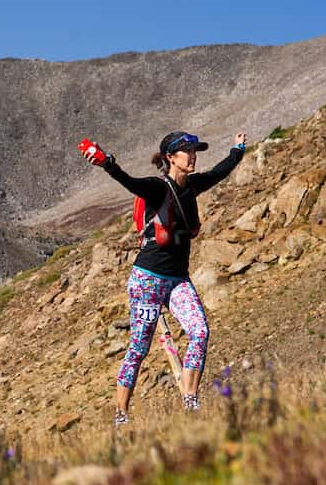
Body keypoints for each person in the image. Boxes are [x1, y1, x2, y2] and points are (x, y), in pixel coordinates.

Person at [84, 130, 247, 424]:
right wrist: (107, 163)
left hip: (178, 280)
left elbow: (221, 171)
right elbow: (129, 182)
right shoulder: (157, 189)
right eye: (188, 152)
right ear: (171, 158)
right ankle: (121, 413)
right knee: (140, 347)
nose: (194, 156)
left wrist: (238, 149)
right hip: (147, 279)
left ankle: (190, 400)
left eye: (195, 151)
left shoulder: (193, 186)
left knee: (199, 331)